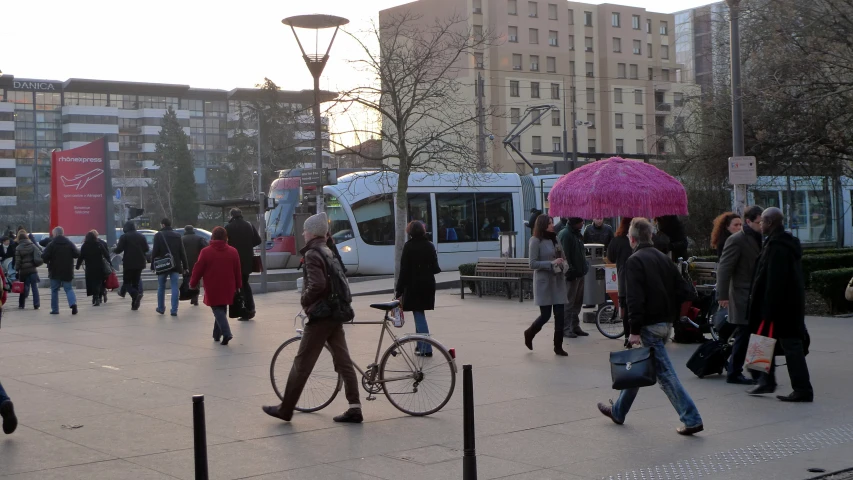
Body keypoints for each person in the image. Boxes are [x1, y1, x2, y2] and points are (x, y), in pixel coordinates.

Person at [596, 218, 704, 435]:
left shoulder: (635, 261)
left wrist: (634, 330)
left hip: (648, 326)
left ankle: (691, 418)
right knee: (638, 364)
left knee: (666, 376)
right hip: (665, 324)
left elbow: (635, 299)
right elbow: (686, 291)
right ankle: (618, 410)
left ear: (633, 239)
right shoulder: (664, 259)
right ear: (651, 236)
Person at [262, 212, 363, 424]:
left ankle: (286, 409)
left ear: (312, 232)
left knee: (302, 363)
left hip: (322, 315)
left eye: (305, 229)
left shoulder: (312, 254)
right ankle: (355, 407)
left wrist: (305, 301)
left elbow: (317, 285)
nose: (303, 233)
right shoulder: (327, 249)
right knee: (343, 361)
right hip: (335, 312)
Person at [745, 207, 813, 402]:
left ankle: (802, 389)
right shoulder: (779, 243)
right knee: (766, 342)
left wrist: (768, 310)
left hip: (780, 308)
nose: (760, 225)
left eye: (762, 222)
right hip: (784, 307)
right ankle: (765, 380)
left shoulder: (777, 247)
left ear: (770, 223)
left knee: (790, 346)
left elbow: (775, 281)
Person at [716, 206, 763, 385]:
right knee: (744, 334)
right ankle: (735, 372)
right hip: (743, 294)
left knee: (758, 334)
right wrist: (722, 295)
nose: (762, 225)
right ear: (748, 222)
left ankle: (758, 372)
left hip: (758, 294)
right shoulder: (737, 240)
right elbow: (725, 268)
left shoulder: (763, 238)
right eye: (759, 222)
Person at [524, 214, 569, 355]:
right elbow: (532, 263)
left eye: (552, 222)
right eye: (549, 223)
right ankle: (529, 333)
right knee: (545, 316)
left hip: (558, 281)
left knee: (560, 315)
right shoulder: (535, 240)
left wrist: (564, 264)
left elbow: (563, 256)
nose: (552, 225)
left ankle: (558, 346)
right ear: (543, 225)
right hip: (544, 283)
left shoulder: (555, 239)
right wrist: (550, 263)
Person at [395, 220, 441, 357]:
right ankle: (420, 345)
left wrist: (399, 289)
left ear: (409, 232)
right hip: (428, 284)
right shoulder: (429, 245)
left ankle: (426, 348)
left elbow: (404, 270)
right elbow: (435, 268)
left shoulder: (408, 247)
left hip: (414, 285)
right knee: (418, 313)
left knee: (419, 314)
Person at [189, 226, 241, 345]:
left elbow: (198, 269)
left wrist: (192, 283)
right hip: (229, 285)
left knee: (217, 309)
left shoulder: (206, 252)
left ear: (213, 236)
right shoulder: (233, 251)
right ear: (225, 237)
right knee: (221, 308)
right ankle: (216, 335)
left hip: (213, 285)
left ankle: (226, 333)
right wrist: (238, 286)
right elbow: (237, 270)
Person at [225, 208, 262, 320]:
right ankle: (249, 309)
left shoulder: (228, 227)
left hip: (233, 260)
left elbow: (225, 243)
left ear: (231, 216)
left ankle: (245, 310)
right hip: (247, 260)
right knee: (244, 283)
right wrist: (247, 245)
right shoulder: (249, 225)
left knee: (239, 285)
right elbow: (258, 241)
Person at [557, 217, 589, 338]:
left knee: (577, 302)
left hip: (579, 273)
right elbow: (564, 254)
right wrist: (570, 271)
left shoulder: (576, 234)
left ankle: (575, 326)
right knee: (569, 302)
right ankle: (566, 328)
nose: (583, 223)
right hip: (572, 274)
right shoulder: (566, 234)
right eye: (581, 221)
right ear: (576, 223)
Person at [151, 218, 189, 317]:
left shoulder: (158, 235)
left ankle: (161, 308)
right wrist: (185, 266)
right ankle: (174, 310)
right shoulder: (177, 236)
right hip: (175, 265)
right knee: (174, 287)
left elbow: (155, 251)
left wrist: (152, 265)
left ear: (163, 225)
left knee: (161, 287)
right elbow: (182, 252)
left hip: (162, 265)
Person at [606, 217, 633, 348]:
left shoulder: (617, 241)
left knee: (626, 309)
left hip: (623, 278)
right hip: (640, 279)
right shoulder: (639, 240)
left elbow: (610, 257)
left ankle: (627, 337)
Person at [41, 226, 80, 315]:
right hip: (67, 270)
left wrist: (48, 261)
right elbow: (77, 253)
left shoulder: (52, 244)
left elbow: (44, 256)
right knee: (68, 289)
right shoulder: (69, 243)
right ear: (62, 233)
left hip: (54, 270)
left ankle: (55, 309)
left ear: (55, 233)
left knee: (54, 290)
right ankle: (73, 304)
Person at [114, 221, 150, 311]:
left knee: (127, 282)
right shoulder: (141, 236)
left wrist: (113, 249)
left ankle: (135, 295)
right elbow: (146, 249)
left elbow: (119, 250)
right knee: (136, 282)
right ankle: (134, 304)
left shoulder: (124, 237)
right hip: (140, 262)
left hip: (129, 263)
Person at [77, 230, 110, 306]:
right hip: (99, 267)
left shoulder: (85, 245)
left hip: (89, 267)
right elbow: (106, 254)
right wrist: (110, 263)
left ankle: (95, 298)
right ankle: (98, 297)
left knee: (91, 283)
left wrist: (77, 266)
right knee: (98, 282)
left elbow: (81, 257)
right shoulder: (99, 244)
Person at [14, 230, 41, 310]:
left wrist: (16, 270)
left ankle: (21, 304)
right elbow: (38, 254)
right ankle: (36, 304)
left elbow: (18, 261)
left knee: (23, 288)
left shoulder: (18, 247)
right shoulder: (32, 246)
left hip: (23, 271)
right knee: (34, 288)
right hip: (33, 269)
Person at [182, 225, 208, 306]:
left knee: (187, 279)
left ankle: (190, 295)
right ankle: (195, 298)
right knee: (196, 280)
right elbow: (206, 248)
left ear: (185, 230)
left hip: (185, 263)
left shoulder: (182, 239)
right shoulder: (199, 238)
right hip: (197, 262)